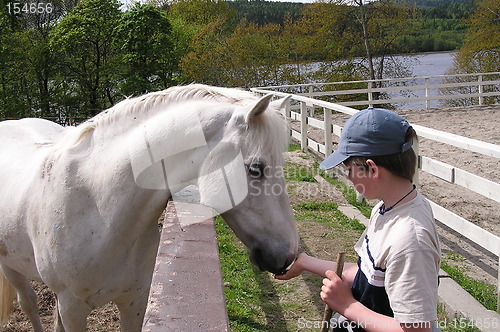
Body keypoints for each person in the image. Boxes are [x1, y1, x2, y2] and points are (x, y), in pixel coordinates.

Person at [276, 108, 441, 332]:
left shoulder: (410, 240)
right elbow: (369, 276)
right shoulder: (388, 208)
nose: (349, 177)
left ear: (371, 168)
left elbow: (416, 330)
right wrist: (305, 262)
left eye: (349, 169)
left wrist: (347, 306)